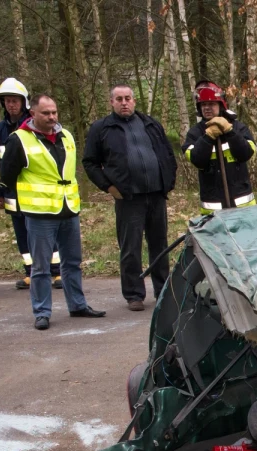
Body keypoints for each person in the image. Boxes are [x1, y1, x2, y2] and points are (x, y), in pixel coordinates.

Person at [0, 95, 105, 330]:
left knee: (72, 262)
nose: (52, 117)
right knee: (41, 267)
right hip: (39, 213)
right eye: (46, 113)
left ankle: (77, 305)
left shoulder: (66, 135)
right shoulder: (19, 140)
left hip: (68, 208)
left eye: (54, 112)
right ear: (33, 114)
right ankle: (42, 312)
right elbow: (7, 175)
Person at [82, 84, 177, 311]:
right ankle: (134, 294)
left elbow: (167, 154)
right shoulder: (102, 128)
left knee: (160, 245)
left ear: (134, 101)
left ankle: (163, 290)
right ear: (112, 102)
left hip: (156, 195)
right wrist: (108, 187)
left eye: (128, 98)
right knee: (130, 247)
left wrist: (168, 181)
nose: (124, 102)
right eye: (119, 99)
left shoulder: (151, 125)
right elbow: (90, 163)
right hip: (128, 198)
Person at [0, 78, 61, 291]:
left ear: (24, 103)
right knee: (21, 233)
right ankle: (31, 272)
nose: (12, 105)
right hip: (12, 192)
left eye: (15, 101)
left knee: (48, 233)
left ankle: (56, 272)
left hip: (37, 191)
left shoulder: (33, 126)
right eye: (8, 101)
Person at [183, 81, 257, 214]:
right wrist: (208, 136)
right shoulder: (195, 133)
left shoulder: (238, 127)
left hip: (242, 204)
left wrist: (229, 132)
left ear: (221, 105)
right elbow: (197, 160)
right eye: (203, 105)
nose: (206, 108)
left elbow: (246, 153)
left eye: (211, 104)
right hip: (212, 207)